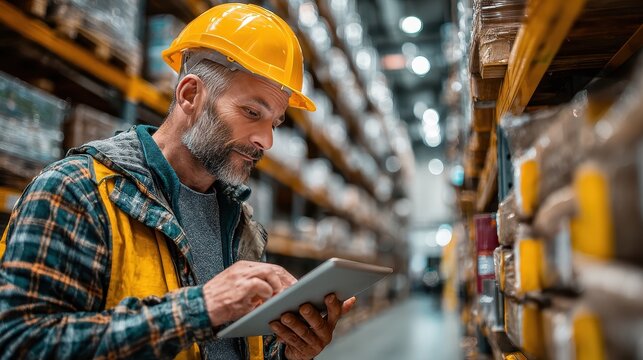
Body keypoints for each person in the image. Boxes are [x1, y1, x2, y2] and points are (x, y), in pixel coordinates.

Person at [0, 3, 355, 359]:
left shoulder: (241, 224)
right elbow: (20, 343)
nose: (267, 140)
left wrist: (288, 352)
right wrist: (201, 308)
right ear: (190, 95)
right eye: (252, 113)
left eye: (275, 123)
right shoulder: (77, 190)